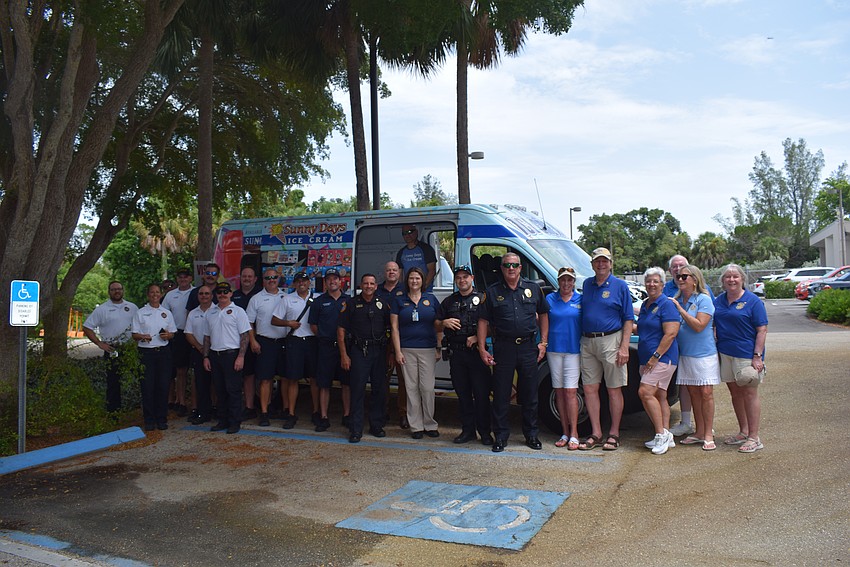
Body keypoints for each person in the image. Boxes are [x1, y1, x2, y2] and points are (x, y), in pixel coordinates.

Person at [477, 253, 549, 453]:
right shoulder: (492, 292)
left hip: (528, 348)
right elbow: (483, 321)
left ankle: (531, 434)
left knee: (530, 394)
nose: (511, 268)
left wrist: (543, 342)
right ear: (501, 268)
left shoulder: (533, 289)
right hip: (504, 348)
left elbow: (543, 314)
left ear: (520, 268)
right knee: (500, 394)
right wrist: (482, 348)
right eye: (507, 265)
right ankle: (500, 436)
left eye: (515, 265)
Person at [578, 247, 633, 451]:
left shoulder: (620, 286)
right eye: (597, 261)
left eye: (604, 261)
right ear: (592, 264)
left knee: (613, 389)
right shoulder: (587, 284)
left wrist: (624, 346)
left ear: (610, 263)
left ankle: (614, 433)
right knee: (590, 389)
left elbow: (628, 318)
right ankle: (596, 433)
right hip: (588, 342)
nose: (601, 264)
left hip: (611, 341)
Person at [714, 263, 768, 453]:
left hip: (746, 355)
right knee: (735, 393)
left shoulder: (753, 301)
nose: (731, 280)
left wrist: (757, 356)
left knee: (749, 393)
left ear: (742, 279)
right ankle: (744, 432)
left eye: (735, 276)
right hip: (725, 353)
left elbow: (761, 329)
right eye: (727, 277)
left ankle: (755, 437)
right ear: (723, 281)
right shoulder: (718, 301)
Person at [439, 265, 492, 445]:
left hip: (476, 354)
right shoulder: (448, 302)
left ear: (472, 278)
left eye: (465, 277)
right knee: (463, 395)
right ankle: (467, 431)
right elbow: (436, 324)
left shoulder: (483, 299)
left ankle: (484, 432)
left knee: (482, 395)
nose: (462, 280)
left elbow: (495, 324)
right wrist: (443, 322)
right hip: (457, 355)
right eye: (459, 277)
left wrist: (478, 336)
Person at [669, 264, 719, 450]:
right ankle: (698, 432)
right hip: (686, 355)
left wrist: (680, 310)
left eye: (684, 277)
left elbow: (699, 325)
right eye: (678, 277)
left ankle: (707, 433)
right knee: (693, 394)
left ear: (695, 279)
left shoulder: (703, 299)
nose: (680, 279)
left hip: (704, 355)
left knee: (706, 393)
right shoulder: (676, 299)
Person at [337, 273, 391, 443]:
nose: (369, 286)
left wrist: (390, 354)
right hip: (359, 352)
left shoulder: (382, 304)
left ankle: (376, 425)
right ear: (361, 285)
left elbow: (391, 330)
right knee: (357, 391)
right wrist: (344, 355)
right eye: (366, 283)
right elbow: (340, 331)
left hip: (379, 352)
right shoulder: (351, 304)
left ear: (376, 286)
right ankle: (355, 429)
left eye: (372, 283)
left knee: (379, 390)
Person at [390, 267, 443, 439]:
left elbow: (439, 325)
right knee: (411, 388)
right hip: (407, 349)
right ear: (407, 281)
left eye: (417, 278)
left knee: (427, 388)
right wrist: (397, 351)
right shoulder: (399, 300)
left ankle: (430, 423)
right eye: (411, 278)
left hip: (427, 348)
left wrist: (438, 346)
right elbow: (394, 328)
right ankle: (416, 426)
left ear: (422, 281)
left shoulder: (431, 299)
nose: (414, 281)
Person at [636, 267, 680, 455]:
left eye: (656, 281)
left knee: (645, 392)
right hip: (646, 358)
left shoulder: (666, 304)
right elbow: (644, 329)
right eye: (648, 281)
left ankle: (660, 433)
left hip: (663, 358)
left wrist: (655, 357)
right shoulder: (646, 304)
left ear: (662, 284)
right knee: (660, 396)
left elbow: (670, 333)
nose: (651, 284)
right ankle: (666, 434)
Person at [82, 281, 139, 412]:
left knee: (138, 379)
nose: (117, 291)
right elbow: (87, 327)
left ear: (123, 290)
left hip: (130, 349)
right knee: (113, 383)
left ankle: (137, 409)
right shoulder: (102, 309)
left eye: (119, 289)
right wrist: (99, 343)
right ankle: (114, 412)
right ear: (109, 292)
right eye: (113, 290)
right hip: (112, 349)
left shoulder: (132, 307)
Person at [203, 281, 251, 434]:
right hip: (215, 355)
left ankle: (234, 422)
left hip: (232, 355)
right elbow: (206, 337)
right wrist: (205, 356)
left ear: (231, 293)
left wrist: (241, 356)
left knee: (233, 390)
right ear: (215, 295)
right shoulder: (210, 312)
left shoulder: (238, 311)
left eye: (225, 292)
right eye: (219, 292)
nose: (222, 295)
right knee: (219, 390)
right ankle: (222, 420)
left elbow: (245, 335)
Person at [271, 271, 317, 429]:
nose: (301, 283)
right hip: (294, 342)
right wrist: (288, 323)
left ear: (309, 283)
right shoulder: (287, 299)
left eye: (304, 281)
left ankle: (316, 412)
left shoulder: (317, 299)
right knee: (292, 379)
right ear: (294, 283)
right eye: (298, 281)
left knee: (314, 379)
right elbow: (274, 320)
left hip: (312, 342)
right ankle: (291, 413)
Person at [131, 283, 177, 431]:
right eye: (152, 292)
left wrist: (168, 335)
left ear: (161, 294)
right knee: (147, 387)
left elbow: (173, 333)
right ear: (148, 295)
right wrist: (142, 336)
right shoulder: (140, 312)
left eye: (157, 292)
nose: (155, 294)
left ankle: (162, 419)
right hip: (146, 353)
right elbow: (134, 334)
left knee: (163, 386)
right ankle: (149, 420)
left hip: (163, 352)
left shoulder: (166, 313)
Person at [546, 267, 583, 450]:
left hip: (573, 351)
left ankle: (574, 433)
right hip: (554, 350)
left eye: (569, 280)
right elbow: (542, 321)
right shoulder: (550, 299)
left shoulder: (580, 299)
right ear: (558, 281)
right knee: (559, 392)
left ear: (574, 282)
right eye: (563, 280)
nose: (566, 283)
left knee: (570, 392)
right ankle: (564, 432)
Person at [308, 268, 349, 432]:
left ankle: (347, 415)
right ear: (325, 282)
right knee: (324, 383)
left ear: (340, 282)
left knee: (347, 383)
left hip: (345, 348)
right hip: (325, 347)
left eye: (335, 279)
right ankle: (323, 416)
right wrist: (326, 337)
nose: (332, 281)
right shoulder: (318, 302)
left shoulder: (349, 300)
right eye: (329, 279)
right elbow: (313, 326)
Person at [246, 268, 286, 427]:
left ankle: (284, 409)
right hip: (265, 342)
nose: (271, 280)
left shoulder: (286, 296)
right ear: (263, 280)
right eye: (268, 277)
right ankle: (264, 412)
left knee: (285, 378)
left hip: (283, 342)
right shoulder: (256, 299)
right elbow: (248, 323)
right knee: (265, 379)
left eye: (274, 277)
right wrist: (253, 341)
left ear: (279, 278)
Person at [376, 261, 409, 429]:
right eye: (388, 270)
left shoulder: (406, 290)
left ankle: (403, 414)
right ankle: (383, 412)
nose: (391, 272)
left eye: (394, 270)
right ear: (385, 272)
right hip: (381, 341)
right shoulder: (377, 290)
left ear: (399, 272)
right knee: (382, 379)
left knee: (404, 380)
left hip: (401, 340)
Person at [162, 268, 194, 418]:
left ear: (190, 278)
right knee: (175, 371)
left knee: (187, 371)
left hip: (190, 334)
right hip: (174, 334)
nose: (183, 279)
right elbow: (163, 315)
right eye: (180, 277)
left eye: (185, 277)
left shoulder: (196, 292)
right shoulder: (170, 295)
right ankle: (175, 401)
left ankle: (186, 402)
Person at [184, 285, 218, 425]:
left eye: (207, 293)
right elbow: (188, 333)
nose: (204, 296)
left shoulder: (218, 311)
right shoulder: (193, 313)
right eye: (201, 294)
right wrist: (199, 347)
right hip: (198, 352)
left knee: (217, 383)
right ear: (198, 296)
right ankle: (203, 412)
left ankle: (218, 410)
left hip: (216, 352)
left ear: (211, 296)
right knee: (201, 383)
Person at [232, 266, 262, 421]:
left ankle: (254, 406)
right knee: (242, 375)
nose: (247, 279)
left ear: (255, 279)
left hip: (255, 340)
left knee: (255, 375)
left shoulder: (260, 295)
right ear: (240, 278)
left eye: (250, 276)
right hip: (235, 341)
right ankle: (242, 406)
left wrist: (253, 340)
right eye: (244, 276)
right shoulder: (233, 296)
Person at [396, 224, 437, 290]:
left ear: (416, 232)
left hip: (425, 291)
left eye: (410, 232)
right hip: (409, 291)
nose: (407, 235)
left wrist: (423, 287)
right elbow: (399, 275)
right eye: (404, 233)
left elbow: (432, 271)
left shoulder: (426, 249)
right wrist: (402, 289)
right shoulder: (401, 252)